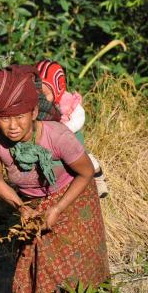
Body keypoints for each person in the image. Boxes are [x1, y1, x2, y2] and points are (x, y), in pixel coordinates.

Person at [0, 65, 110, 293]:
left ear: (33, 113)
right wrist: (21, 207)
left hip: (74, 199)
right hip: (33, 205)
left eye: (19, 117)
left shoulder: (57, 135)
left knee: (81, 264)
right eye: (4, 118)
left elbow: (86, 173)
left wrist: (58, 208)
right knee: (36, 263)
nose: (12, 126)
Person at [36, 60, 109, 198]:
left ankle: (98, 181)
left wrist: (66, 128)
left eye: (45, 94)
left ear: (57, 89)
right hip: (49, 142)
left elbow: (79, 116)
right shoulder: (37, 106)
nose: (40, 99)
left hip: (69, 137)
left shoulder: (66, 101)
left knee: (85, 160)